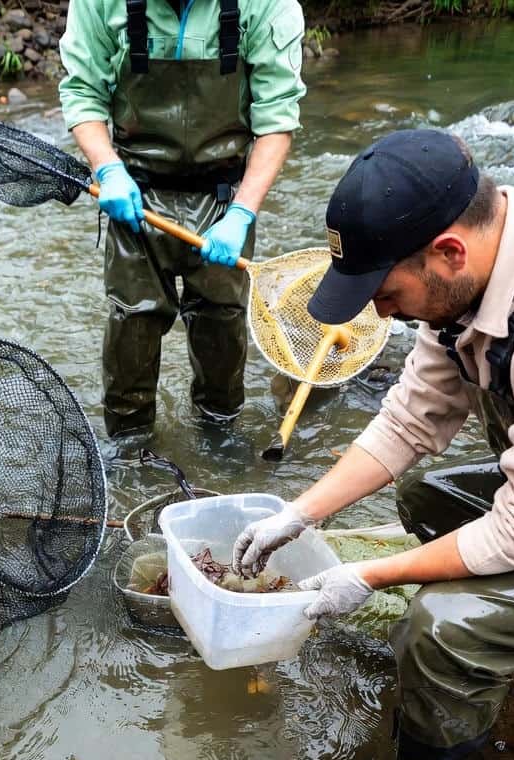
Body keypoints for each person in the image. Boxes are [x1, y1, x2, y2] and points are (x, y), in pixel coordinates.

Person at [232, 128, 514, 760]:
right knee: (430, 495)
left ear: (448, 252)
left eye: (386, 294)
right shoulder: (468, 280)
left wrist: (367, 574)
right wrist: (300, 514)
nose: (380, 316)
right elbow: (409, 420)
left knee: (444, 623)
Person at [58, 0, 306, 439]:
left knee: (222, 325)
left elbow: (277, 117)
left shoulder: (266, 5)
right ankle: (128, 447)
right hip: (135, 194)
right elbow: (82, 93)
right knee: (131, 324)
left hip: (225, 195)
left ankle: (221, 437)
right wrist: (107, 169)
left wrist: (243, 213)